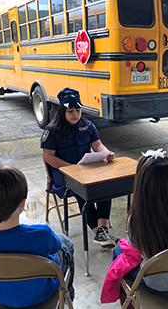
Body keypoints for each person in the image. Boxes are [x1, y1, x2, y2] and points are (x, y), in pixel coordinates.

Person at [0, 164, 75, 308]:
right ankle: (68, 296)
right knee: (65, 242)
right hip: (42, 294)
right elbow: (56, 246)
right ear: (23, 203)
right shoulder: (41, 233)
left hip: (1, 298)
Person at [102, 149, 168, 302]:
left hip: (157, 285)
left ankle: (128, 303)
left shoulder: (137, 218)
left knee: (119, 251)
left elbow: (133, 253)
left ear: (141, 184)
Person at [41, 88, 118, 249]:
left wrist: (106, 153)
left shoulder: (88, 125)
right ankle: (101, 232)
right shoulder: (52, 130)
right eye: (70, 111)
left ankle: (101, 231)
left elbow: (97, 145)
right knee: (82, 191)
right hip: (63, 172)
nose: (75, 114)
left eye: (78, 110)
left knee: (106, 185)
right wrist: (71, 169)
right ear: (62, 111)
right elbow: (48, 156)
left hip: (86, 169)